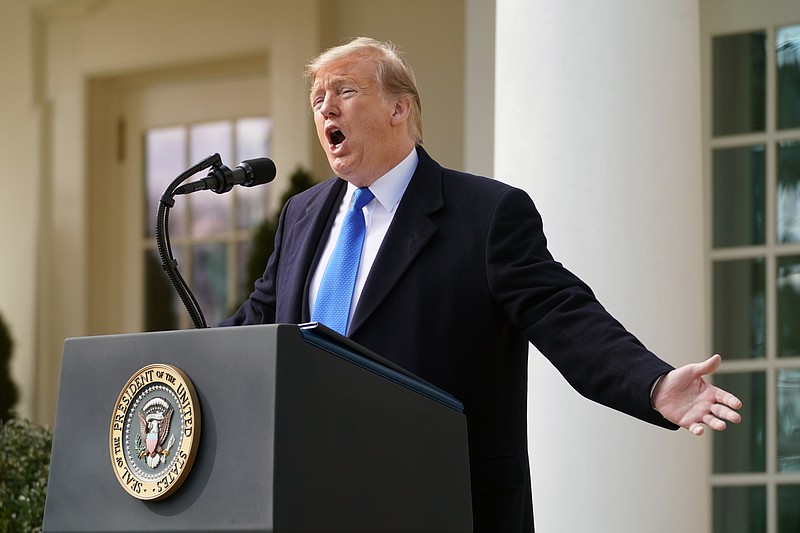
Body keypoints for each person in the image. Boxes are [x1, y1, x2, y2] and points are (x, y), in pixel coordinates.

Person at [221, 37, 742, 532]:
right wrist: (182, 365)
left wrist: (651, 383)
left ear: (399, 108)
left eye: (345, 91)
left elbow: (563, 313)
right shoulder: (302, 215)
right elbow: (256, 323)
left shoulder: (486, 214)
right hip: (308, 497)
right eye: (317, 99)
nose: (326, 108)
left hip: (442, 502)